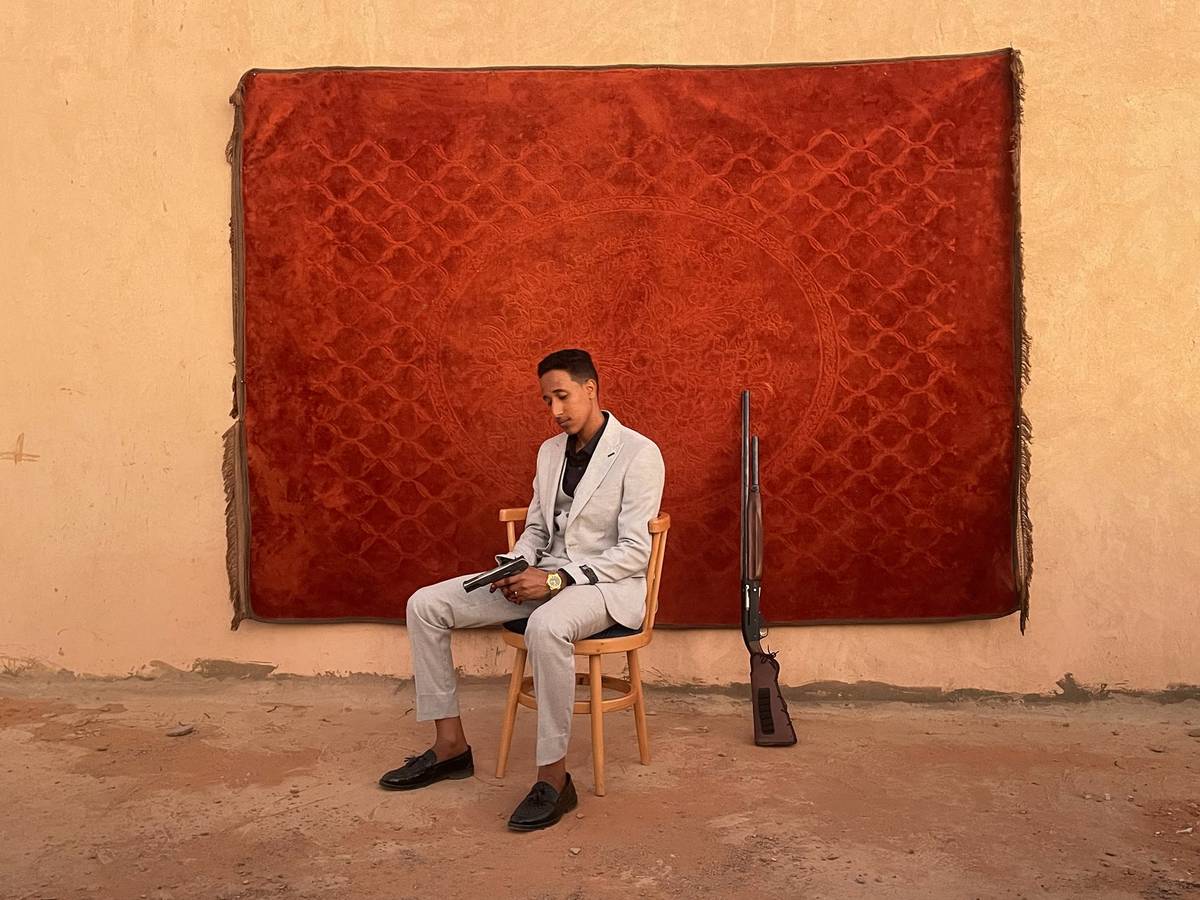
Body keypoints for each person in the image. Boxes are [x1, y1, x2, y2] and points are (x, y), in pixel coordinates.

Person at [378, 348, 666, 831]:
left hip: (603, 586)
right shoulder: (550, 452)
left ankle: (553, 778)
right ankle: (450, 747)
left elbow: (635, 552)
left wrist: (555, 579)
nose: (555, 410)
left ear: (590, 389)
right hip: (543, 576)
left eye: (563, 396)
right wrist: (516, 566)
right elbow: (536, 530)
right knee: (425, 604)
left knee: (546, 626)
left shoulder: (639, 453)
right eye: (547, 400)